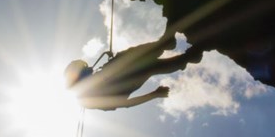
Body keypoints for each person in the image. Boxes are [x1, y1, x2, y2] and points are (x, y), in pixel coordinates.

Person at [64, 36, 203, 111]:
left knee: (134, 59)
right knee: (147, 66)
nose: (90, 69)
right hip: (125, 81)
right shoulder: (85, 98)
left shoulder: (89, 86)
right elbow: (126, 104)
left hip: (123, 74)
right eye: (85, 69)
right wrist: (154, 95)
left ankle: (166, 46)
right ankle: (180, 54)